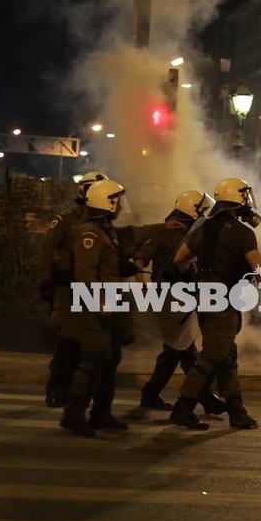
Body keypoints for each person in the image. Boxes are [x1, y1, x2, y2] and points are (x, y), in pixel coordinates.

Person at [60, 178, 166, 436]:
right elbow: (85, 273)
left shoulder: (106, 231)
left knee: (109, 361)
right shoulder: (90, 233)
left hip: (111, 302)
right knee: (93, 360)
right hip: (96, 306)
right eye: (117, 201)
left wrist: (128, 267)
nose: (120, 206)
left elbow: (112, 264)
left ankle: (101, 414)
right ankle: (73, 415)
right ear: (106, 203)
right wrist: (99, 302)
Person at [168, 177, 261, 431]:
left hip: (205, 299)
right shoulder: (243, 233)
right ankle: (183, 407)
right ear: (238, 200)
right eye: (245, 197)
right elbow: (258, 267)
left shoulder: (204, 228)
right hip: (224, 302)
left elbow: (180, 259)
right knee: (213, 356)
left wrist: (198, 276)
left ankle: (236, 410)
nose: (248, 202)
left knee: (226, 355)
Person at [133, 190, 226, 415]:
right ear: (193, 210)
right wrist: (143, 286)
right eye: (203, 211)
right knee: (186, 351)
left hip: (182, 299)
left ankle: (151, 393)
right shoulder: (166, 233)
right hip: (167, 298)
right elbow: (140, 259)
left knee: (173, 351)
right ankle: (205, 399)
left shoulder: (192, 234)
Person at [37, 171, 108, 408]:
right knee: (67, 342)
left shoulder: (103, 223)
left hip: (90, 290)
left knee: (84, 344)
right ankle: (55, 390)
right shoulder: (66, 220)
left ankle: (74, 392)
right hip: (67, 288)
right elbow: (47, 251)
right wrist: (46, 281)